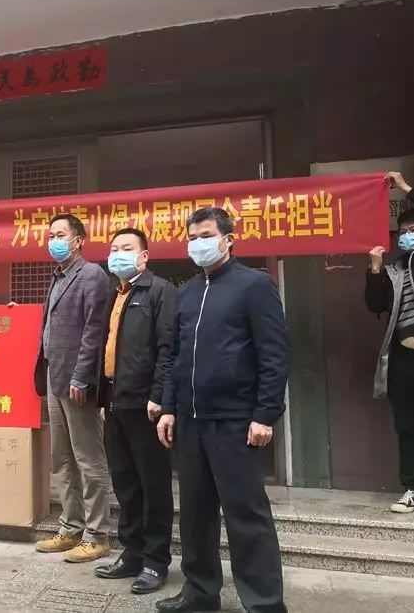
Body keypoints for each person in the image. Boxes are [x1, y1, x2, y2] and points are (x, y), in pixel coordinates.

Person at [156, 207, 289, 613]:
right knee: (195, 515)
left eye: (207, 235)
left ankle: (264, 602)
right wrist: (169, 407)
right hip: (190, 421)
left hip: (235, 421)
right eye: (193, 237)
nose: (198, 243)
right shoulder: (187, 292)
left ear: (228, 239)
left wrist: (265, 414)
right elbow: (175, 357)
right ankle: (200, 592)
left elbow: (274, 354)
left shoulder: (255, 286)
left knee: (246, 515)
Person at [94, 228, 176, 593]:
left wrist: (159, 396)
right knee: (125, 482)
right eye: (114, 248)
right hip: (115, 401)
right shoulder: (116, 294)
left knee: (152, 485)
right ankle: (132, 554)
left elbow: (167, 348)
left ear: (144, 256)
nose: (118, 254)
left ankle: (156, 561)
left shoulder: (159, 291)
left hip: (146, 405)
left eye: (127, 248)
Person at [33, 213, 112, 563]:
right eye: (51, 235)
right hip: (55, 377)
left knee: (87, 458)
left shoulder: (91, 274)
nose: (54, 240)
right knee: (62, 459)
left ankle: (97, 535)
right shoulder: (57, 276)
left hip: (77, 381)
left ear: (78, 240)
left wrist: (83, 376)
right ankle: (70, 527)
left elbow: (94, 330)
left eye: (60, 234)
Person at [366, 171, 414, 513]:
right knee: (407, 427)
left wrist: (407, 187)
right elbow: (375, 305)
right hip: (403, 360)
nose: (409, 234)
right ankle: (413, 490)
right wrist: (375, 269)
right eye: (404, 230)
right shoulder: (394, 266)